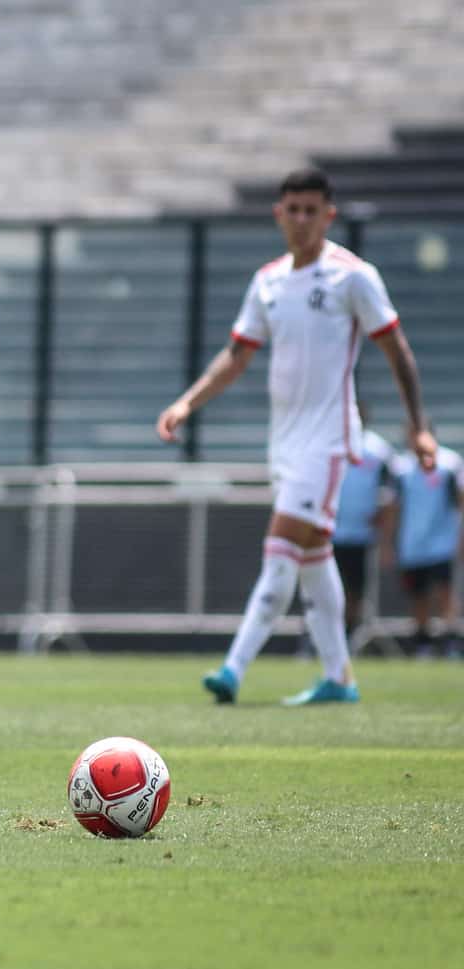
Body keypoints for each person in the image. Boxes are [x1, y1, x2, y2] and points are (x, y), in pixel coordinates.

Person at [157, 167, 438, 705]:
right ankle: (339, 678)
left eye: (312, 211)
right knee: (312, 557)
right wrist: (187, 402)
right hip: (283, 442)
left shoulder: (353, 277)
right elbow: (237, 355)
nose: (302, 220)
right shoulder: (268, 281)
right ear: (279, 214)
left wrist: (419, 428)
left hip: (328, 440)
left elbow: (397, 350)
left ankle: (233, 669)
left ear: (328, 216)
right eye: (294, 210)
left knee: (280, 549)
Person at [387, 438, 463, 658]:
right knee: (418, 595)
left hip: (442, 543)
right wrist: (389, 543)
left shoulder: (449, 465)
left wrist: (460, 539)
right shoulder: (402, 468)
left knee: (445, 592)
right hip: (412, 544)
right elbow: (394, 507)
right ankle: (423, 643)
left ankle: (450, 641)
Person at [328, 406, 396, 646]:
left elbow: (389, 493)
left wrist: (383, 526)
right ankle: (320, 636)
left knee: (355, 588)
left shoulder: (378, 451)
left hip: (360, 534)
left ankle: (349, 635)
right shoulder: (330, 444)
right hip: (329, 531)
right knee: (326, 588)